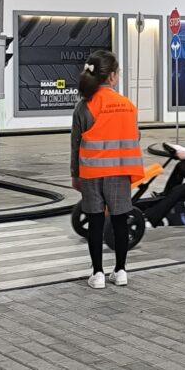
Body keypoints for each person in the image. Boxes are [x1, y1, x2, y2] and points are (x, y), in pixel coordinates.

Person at [71, 50, 143, 290]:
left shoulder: (84, 106)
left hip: (91, 173)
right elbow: (135, 137)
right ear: (112, 76)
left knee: (95, 222)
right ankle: (120, 271)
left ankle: (98, 274)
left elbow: (75, 144)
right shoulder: (128, 106)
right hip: (120, 171)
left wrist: (75, 174)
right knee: (120, 221)